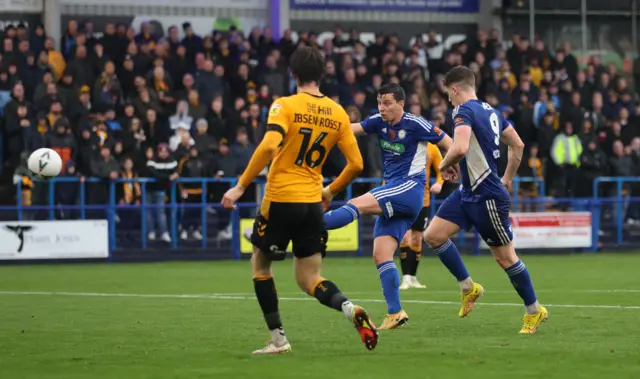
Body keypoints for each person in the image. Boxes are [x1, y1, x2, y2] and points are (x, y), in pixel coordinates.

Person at [221, 47, 377, 355]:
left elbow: (268, 147)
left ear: (293, 74)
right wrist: (330, 191)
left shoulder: (285, 106)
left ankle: (278, 339)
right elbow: (356, 164)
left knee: (261, 264)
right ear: (321, 74)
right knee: (310, 279)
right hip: (312, 205)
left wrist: (240, 186)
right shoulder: (337, 112)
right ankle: (348, 308)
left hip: (280, 198)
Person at [423, 66, 548, 334]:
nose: (448, 100)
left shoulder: (463, 110)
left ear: (455, 89)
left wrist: (443, 166)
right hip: (468, 192)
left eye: (448, 94)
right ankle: (468, 286)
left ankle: (534, 310)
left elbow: (459, 147)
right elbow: (518, 145)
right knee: (433, 235)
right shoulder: (492, 112)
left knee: (505, 258)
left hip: (486, 197)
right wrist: (508, 178)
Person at [323, 83, 453, 330]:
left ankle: (308, 224)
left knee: (355, 204)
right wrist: (325, 127)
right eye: (380, 102)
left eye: (387, 103)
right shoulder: (378, 122)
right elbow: (351, 130)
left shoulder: (416, 124)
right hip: (395, 191)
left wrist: (448, 165)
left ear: (401, 104)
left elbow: (450, 142)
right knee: (381, 254)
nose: (382, 108)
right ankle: (395, 312)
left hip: (409, 190)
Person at [399, 142, 444, 290]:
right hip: (403, 197)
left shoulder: (432, 148)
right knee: (405, 237)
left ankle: (413, 277)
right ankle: (405, 278)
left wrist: (439, 183)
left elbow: (441, 170)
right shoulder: (403, 143)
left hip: (422, 200)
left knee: (417, 239)